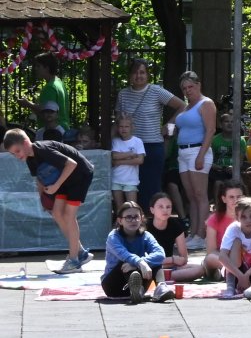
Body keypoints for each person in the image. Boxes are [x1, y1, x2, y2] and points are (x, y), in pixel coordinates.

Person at [4, 128, 92, 272]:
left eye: (17, 151)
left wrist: (55, 186)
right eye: (13, 154)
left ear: (26, 143)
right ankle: (80, 252)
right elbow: (39, 179)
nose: (17, 156)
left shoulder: (43, 149)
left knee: (69, 216)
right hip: (64, 179)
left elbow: (72, 164)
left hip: (79, 175)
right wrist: (42, 199)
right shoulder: (30, 159)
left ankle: (74, 261)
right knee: (57, 213)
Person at [116, 58, 182, 207]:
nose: (138, 76)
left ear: (147, 75)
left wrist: (168, 125)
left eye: (142, 72)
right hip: (129, 147)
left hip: (152, 145)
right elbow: (118, 120)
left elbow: (182, 106)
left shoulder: (156, 91)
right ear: (130, 75)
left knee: (152, 185)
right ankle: (132, 216)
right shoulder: (123, 94)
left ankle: (153, 217)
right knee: (129, 185)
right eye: (135, 72)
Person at [172, 71, 217, 245]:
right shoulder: (186, 106)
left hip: (198, 150)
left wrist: (201, 155)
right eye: (184, 88)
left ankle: (202, 235)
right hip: (183, 152)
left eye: (190, 86)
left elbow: (211, 130)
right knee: (190, 196)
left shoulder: (206, 103)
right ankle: (193, 233)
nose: (187, 90)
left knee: (200, 194)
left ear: (198, 85)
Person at [104, 202, 170, 303]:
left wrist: (140, 263)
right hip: (113, 286)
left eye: (136, 217)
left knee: (155, 261)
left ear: (141, 218)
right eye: (128, 217)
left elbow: (160, 254)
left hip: (140, 284)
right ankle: (136, 290)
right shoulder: (113, 237)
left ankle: (160, 288)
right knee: (125, 262)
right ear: (120, 220)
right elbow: (125, 255)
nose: (133, 220)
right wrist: (140, 263)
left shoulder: (146, 235)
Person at [145, 193, 207, 284]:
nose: (165, 210)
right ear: (152, 210)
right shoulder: (145, 228)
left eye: (168, 207)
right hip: (151, 267)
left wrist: (170, 262)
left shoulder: (175, 225)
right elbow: (146, 259)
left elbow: (183, 259)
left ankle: (162, 278)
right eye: (160, 207)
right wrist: (172, 260)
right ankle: (160, 277)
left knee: (200, 269)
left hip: (170, 268)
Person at [109, 114, 144, 212]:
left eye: (126, 126)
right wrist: (130, 154)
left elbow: (140, 160)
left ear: (132, 127)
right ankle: (120, 222)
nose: (123, 129)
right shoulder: (115, 141)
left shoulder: (137, 141)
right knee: (119, 208)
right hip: (116, 179)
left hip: (131, 180)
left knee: (132, 207)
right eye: (121, 126)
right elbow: (114, 156)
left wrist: (119, 161)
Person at [30, 55, 69, 137]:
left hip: (52, 132)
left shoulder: (50, 87)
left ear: (47, 68)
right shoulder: (59, 83)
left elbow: (47, 112)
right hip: (62, 129)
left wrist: (27, 104)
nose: (35, 69)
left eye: (38, 66)